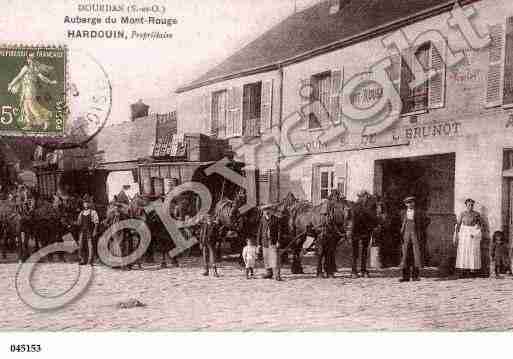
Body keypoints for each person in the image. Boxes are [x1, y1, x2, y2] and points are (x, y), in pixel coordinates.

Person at [7, 52, 58, 130]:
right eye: (30, 58)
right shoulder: (26, 68)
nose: (32, 60)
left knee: (31, 105)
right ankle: (29, 124)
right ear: (27, 59)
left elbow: (42, 77)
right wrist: (11, 84)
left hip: (30, 89)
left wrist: (50, 82)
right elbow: (18, 77)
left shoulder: (34, 68)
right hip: (26, 89)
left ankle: (45, 121)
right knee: (26, 106)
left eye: (33, 58)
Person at [399, 196, 430, 282]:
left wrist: (421, 229)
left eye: (412, 202)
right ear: (405, 204)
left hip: (416, 234)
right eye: (408, 203)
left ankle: (415, 276)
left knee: (415, 254)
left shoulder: (419, 212)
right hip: (405, 234)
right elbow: (399, 223)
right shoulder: (402, 213)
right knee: (405, 255)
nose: (410, 204)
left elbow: (427, 220)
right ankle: (405, 276)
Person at [350, 190, 377, 278]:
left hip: (366, 230)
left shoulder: (370, 206)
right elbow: (352, 219)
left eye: (366, 196)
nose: (364, 198)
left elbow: (373, 217)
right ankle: (354, 270)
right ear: (360, 197)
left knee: (365, 251)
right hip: (356, 231)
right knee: (355, 251)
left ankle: (363, 269)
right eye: (362, 196)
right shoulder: (355, 206)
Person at [454, 198, 483, 278]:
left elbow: (480, 225)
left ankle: (472, 270)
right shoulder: (462, 214)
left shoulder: (477, 214)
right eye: (469, 205)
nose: (470, 206)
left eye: (472, 205)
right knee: (463, 251)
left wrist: (475, 233)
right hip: (464, 234)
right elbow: (458, 225)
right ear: (466, 205)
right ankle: (463, 270)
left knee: (472, 251)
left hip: (472, 233)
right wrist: (456, 234)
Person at [257, 204, 282, 281]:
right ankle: (268, 273)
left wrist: (278, 241)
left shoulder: (276, 219)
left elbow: (279, 232)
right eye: (265, 210)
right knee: (266, 258)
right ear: (263, 212)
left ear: (271, 210)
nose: (266, 211)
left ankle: (277, 275)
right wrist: (258, 244)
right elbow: (259, 232)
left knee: (275, 258)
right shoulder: (262, 219)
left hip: (273, 242)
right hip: (265, 242)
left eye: (268, 210)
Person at [316, 205, 338, 278]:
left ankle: (329, 271)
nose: (327, 214)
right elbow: (317, 229)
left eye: (328, 212)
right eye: (326, 212)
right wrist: (321, 230)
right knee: (320, 255)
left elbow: (334, 228)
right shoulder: (320, 219)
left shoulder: (332, 219)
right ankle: (319, 272)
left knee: (329, 255)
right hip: (321, 239)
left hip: (329, 238)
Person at [77, 195, 99, 265]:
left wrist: (95, 230)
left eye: (87, 203)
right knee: (81, 245)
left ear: (89, 204)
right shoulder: (81, 213)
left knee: (90, 246)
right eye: (84, 203)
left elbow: (96, 222)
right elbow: (79, 222)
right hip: (82, 231)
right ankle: (82, 259)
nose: (85, 204)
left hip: (90, 231)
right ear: (83, 204)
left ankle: (90, 260)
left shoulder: (93, 212)